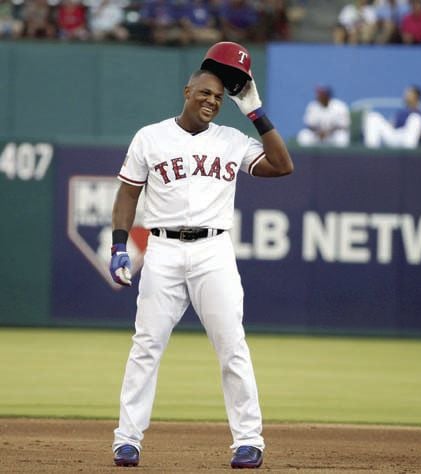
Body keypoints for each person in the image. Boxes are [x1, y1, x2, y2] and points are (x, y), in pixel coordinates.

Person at [109, 42, 293, 469]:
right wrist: (119, 244)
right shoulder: (150, 137)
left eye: (220, 97)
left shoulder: (232, 140)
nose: (212, 101)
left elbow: (282, 166)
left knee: (232, 346)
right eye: (205, 93)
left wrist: (255, 111)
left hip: (214, 251)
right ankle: (127, 439)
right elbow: (127, 193)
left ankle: (249, 441)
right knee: (146, 345)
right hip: (164, 250)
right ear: (187, 91)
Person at [363, 85, 421, 149]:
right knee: (373, 117)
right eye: (406, 93)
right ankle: (371, 153)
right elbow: (392, 124)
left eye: (409, 93)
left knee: (415, 118)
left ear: (417, 96)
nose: (406, 95)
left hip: (410, 138)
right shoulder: (402, 111)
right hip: (396, 136)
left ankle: (409, 157)